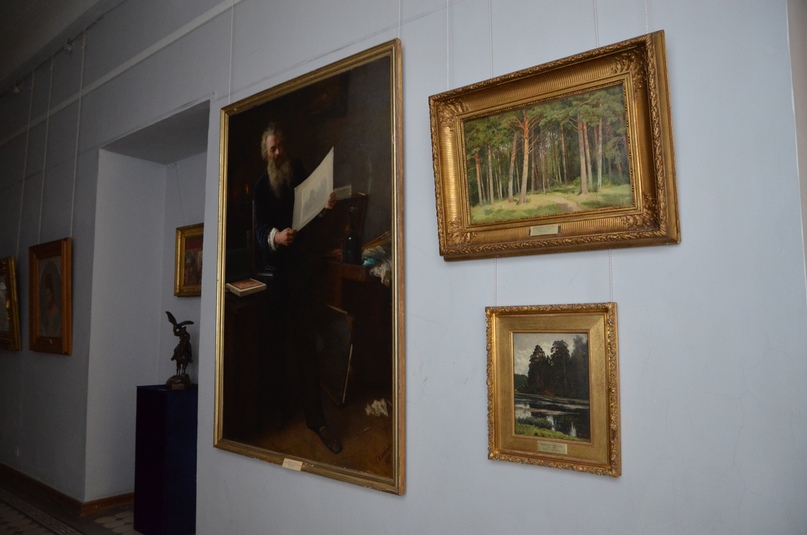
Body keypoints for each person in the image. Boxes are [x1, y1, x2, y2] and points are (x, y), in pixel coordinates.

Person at [253, 122, 341, 454]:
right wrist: (276, 237)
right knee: (276, 349)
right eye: (272, 149)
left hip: (301, 276)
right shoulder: (261, 187)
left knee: (307, 348)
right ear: (266, 154)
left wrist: (324, 208)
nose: (278, 153)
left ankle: (316, 420)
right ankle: (278, 411)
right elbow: (260, 230)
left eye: (280, 146)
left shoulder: (297, 171)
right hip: (276, 279)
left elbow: (310, 213)